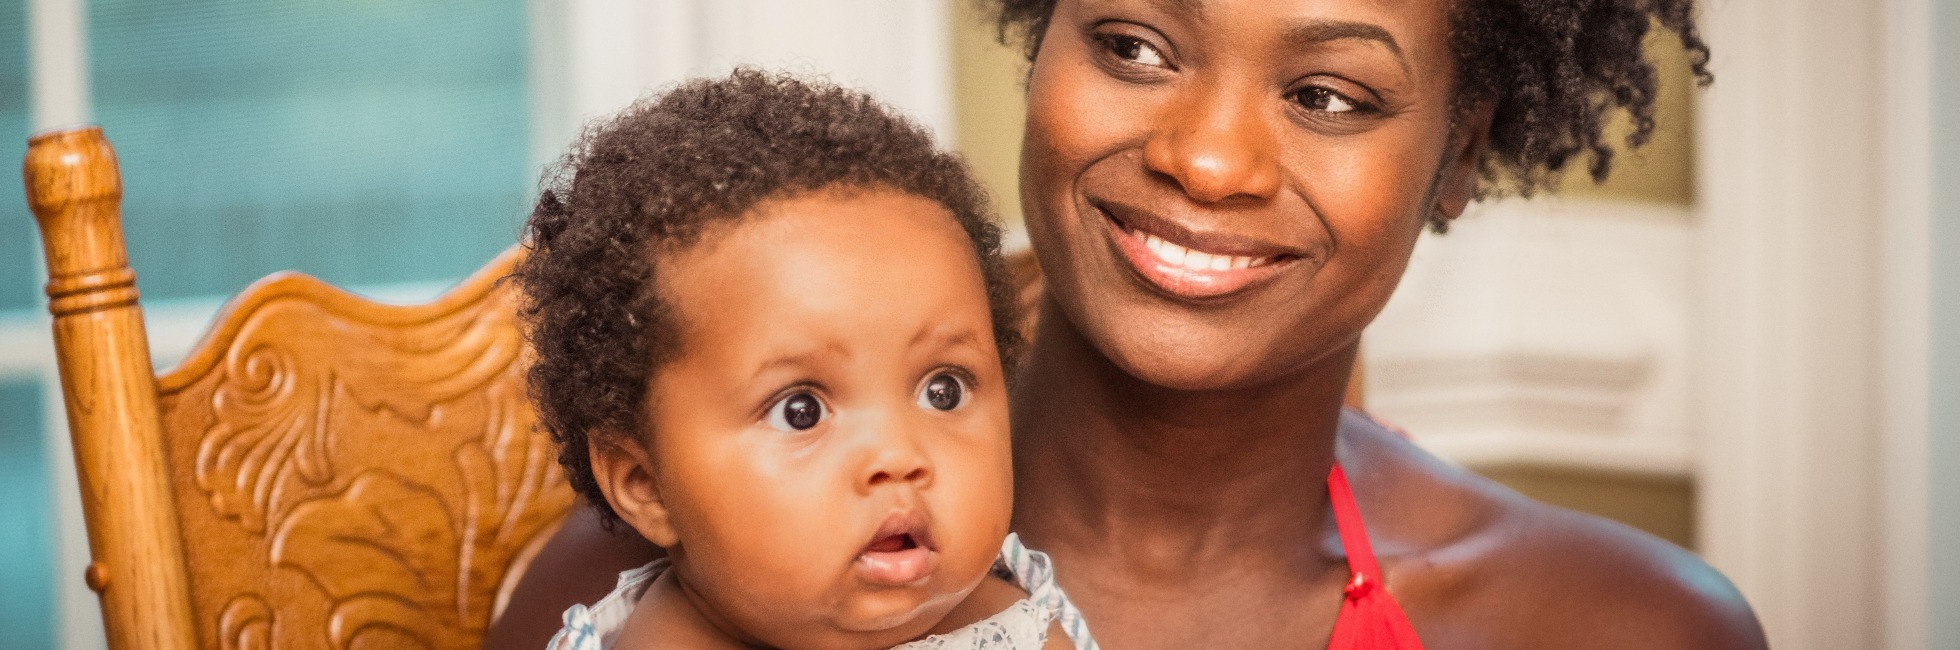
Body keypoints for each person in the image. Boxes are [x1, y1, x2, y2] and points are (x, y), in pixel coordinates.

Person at [490, 0, 1770, 647]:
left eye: (1327, 94)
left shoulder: (1613, 626)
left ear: (1455, 155)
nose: (1207, 160)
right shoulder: (657, 588)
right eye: (1135, 46)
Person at [512, 70, 1080, 649]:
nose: (898, 456)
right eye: (801, 411)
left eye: (944, 391)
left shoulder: (1020, 625)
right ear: (646, 485)